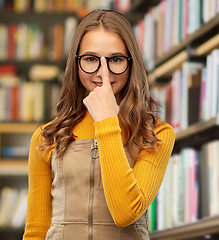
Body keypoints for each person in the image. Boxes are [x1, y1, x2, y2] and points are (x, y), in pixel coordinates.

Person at [22, 9, 175, 240]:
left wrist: (106, 121)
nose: (104, 73)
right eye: (91, 59)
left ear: (131, 64)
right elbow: (35, 232)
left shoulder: (157, 134)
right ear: (76, 64)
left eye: (115, 59)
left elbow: (126, 213)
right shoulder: (45, 138)